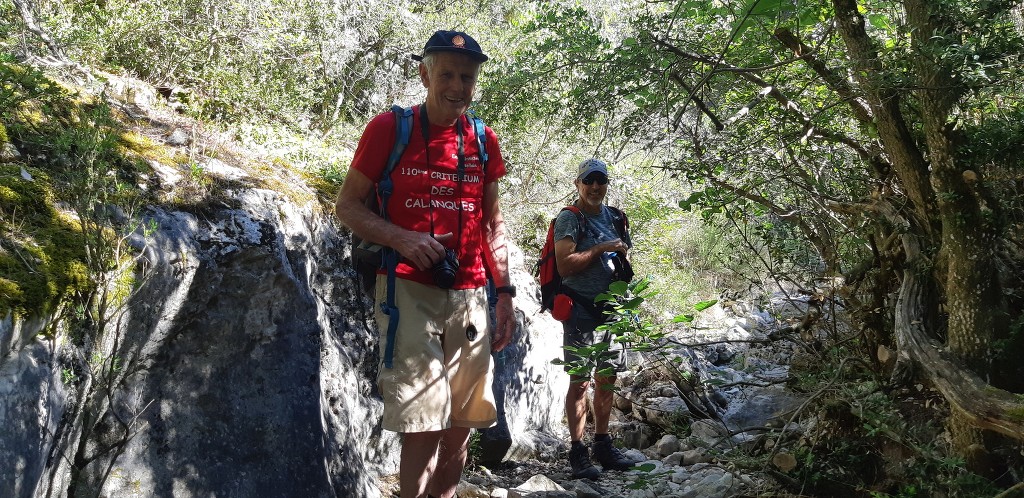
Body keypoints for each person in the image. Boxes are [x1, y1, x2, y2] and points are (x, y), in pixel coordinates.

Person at [334, 30, 516, 498]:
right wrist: (403, 237)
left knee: (463, 418)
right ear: (424, 73)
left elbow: (493, 223)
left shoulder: (482, 140)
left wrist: (505, 295)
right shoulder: (389, 130)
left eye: (467, 77)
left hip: (472, 292)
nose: (457, 85)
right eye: (448, 74)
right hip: (406, 289)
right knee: (422, 417)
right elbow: (348, 206)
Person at [553, 158, 635, 479]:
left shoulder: (615, 217)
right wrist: (602, 248)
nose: (595, 187)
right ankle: (577, 452)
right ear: (578, 184)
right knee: (579, 381)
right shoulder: (569, 219)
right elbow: (564, 266)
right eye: (589, 181)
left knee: (607, 379)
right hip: (582, 311)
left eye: (600, 180)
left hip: (613, 310)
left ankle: (603, 445)